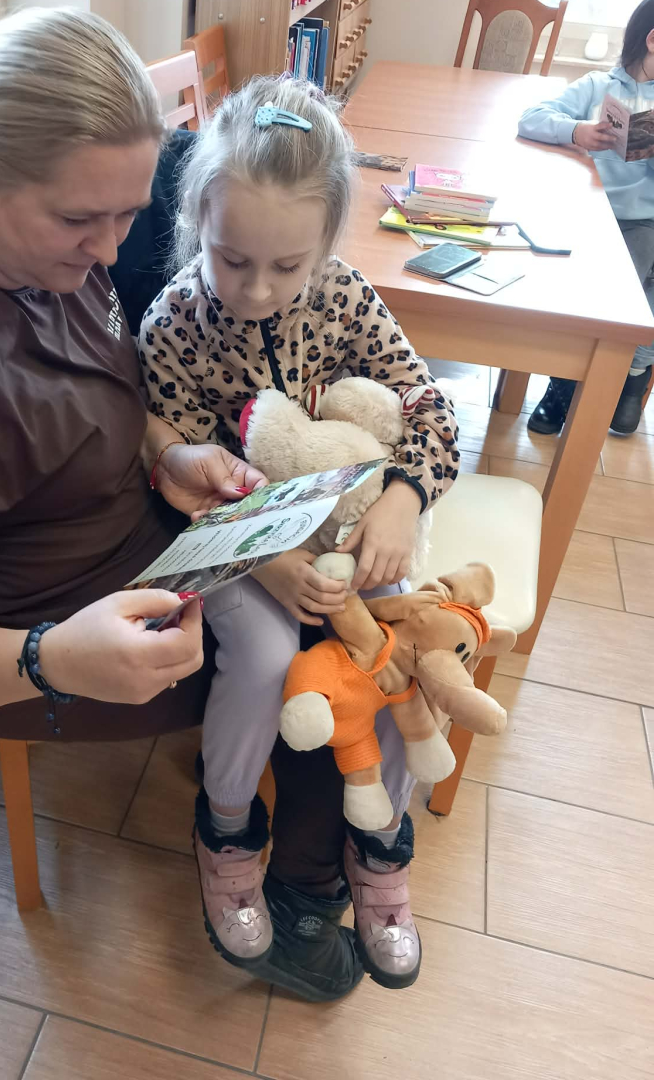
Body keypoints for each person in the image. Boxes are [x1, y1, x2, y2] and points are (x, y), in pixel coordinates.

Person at [0, 7, 406, 1006]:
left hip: (141, 525)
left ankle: (311, 855)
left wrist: (165, 454)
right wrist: (50, 660)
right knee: (329, 670)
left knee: (354, 622)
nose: (113, 253)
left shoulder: (11, 236)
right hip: (48, 632)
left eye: (128, 215)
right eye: (82, 222)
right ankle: (287, 881)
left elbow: (75, 410)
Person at [139, 75, 461, 989]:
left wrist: (403, 499)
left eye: (288, 266)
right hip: (244, 550)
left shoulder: (346, 298)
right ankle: (227, 831)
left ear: (326, 244)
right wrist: (273, 563)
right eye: (231, 258)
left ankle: (381, 846)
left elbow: (431, 408)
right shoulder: (174, 325)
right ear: (197, 219)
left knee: (392, 652)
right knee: (266, 655)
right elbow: (175, 477)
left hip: (355, 540)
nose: (257, 289)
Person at [518, 0, 654, 435]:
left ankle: (628, 377)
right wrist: (576, 130)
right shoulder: (598, 86)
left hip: (642, 220)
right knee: (595, 284)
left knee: (631, 282)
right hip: (592, 213)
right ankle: (567, 383)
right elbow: (531, 118)